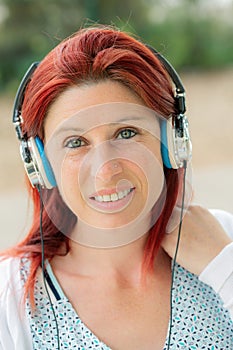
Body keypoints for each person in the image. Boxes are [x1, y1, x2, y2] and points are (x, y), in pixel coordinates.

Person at [0, 26, 232, 350]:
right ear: (41, 165)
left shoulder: (223, 242)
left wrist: (224, 267)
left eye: (126, 133)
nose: (105, 170)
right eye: (76, 142)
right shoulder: (11, 295)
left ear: (170, 141)